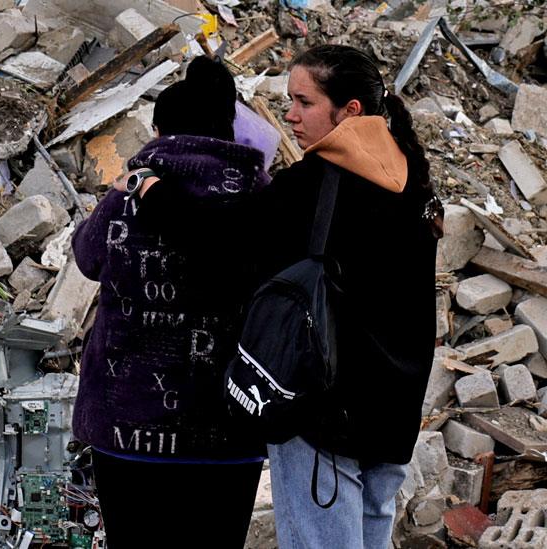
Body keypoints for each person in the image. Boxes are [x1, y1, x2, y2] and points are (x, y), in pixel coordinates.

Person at [129, 44, 439, 549]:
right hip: (391, 416)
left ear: (350, 111)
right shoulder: (414, 182)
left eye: (304, 102)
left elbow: (224, 240)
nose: (289, 115)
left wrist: (150, 190)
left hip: (324, 416)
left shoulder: (320, 183)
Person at [70, 56, 270, 548]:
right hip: (231, 428)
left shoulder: (130, 193)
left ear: (159, 130)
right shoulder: (265, 195)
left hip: (127, 422)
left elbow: (87, 257)